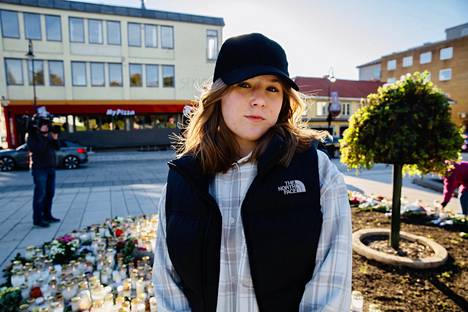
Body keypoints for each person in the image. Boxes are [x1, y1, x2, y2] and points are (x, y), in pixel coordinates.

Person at [153, 33, 352, 311]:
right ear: (219, 94)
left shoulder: (316, 172)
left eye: (273, 88)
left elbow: (332, 286)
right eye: (245, 84)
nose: (259, 100)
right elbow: (166, 282)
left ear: (285, 100)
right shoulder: (184, 178)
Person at [27, 116, 61, 228]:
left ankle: (47, 215)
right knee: (40, 194)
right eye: (44, 125)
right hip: (40, 169)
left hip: (51, 168)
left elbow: (57, 148)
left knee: (50, 193)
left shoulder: (49, 137)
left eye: (48, 125)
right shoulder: (33, 137)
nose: (46, 127)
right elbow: (38, 149)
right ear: (39, 126)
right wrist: (46, 138)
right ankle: (37, 219)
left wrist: (55, 138)